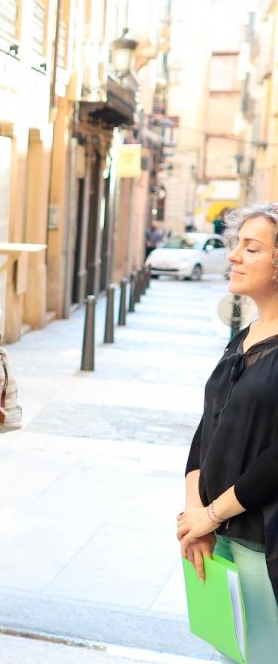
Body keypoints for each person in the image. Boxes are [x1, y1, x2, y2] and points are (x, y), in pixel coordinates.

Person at [179, 202, 278, 657]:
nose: (233, 256)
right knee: (230, 652)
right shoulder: (243, 336)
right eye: (235, 245)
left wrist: (212, 514)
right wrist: (193, 517)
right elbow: (207, 428)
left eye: (251, 248)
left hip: (263, 542)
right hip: (217, 536)